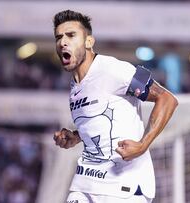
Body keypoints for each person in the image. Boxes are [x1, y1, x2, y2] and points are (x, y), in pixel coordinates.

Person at [52, 10, 178, 203]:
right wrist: (77, 136)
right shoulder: (75, 84)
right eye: (58, 37)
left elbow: (167, 99)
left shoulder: (113, 69)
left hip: (122, 187)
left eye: (71, 35)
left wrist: (143, 145)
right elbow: (102, 120)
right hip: (86, 182)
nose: (63, 42)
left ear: (89, 42)